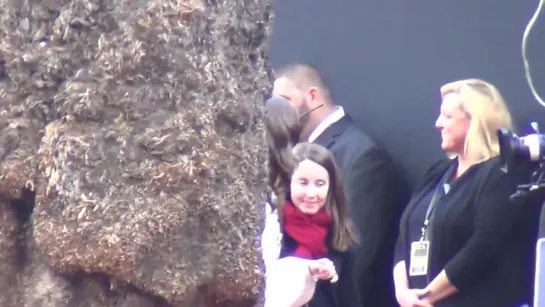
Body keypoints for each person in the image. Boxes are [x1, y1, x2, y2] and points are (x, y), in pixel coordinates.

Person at [393, 79, 541, 307]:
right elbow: (405, 237)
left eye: (448, 116)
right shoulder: (437, 172)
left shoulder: (500, 172)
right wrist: (403, 292)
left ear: (475, 120)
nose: (438, 123)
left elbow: (485, 246)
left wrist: (426, 296)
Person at [272, 62, 408, 306]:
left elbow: (356, 250)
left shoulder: (361, 155)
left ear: (312, 96)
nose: (279, 112)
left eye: (284, 101)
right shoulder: (287, 153)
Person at [262, 95, 361, 307]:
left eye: (320, 184)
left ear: (332, 188)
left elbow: (350, 299)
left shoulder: (342, 238)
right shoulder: (274, 231)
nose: (311, 193)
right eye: (303, 182)